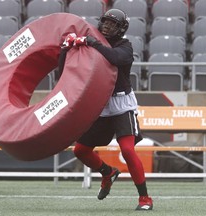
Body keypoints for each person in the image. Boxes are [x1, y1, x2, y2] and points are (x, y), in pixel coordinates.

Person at [58, 9, 153, 211]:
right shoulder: (92, 41)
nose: (107, 26)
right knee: (81, 151)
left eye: (113, 24)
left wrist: (94, 43)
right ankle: (107, 172)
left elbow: (115, 58)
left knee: (127, 149)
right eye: (105, 22)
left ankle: (145, 198)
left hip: (121, 104)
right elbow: (64, 73)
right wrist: (65, 50)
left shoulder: (124, 46)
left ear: (121, 29)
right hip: (99, 104)